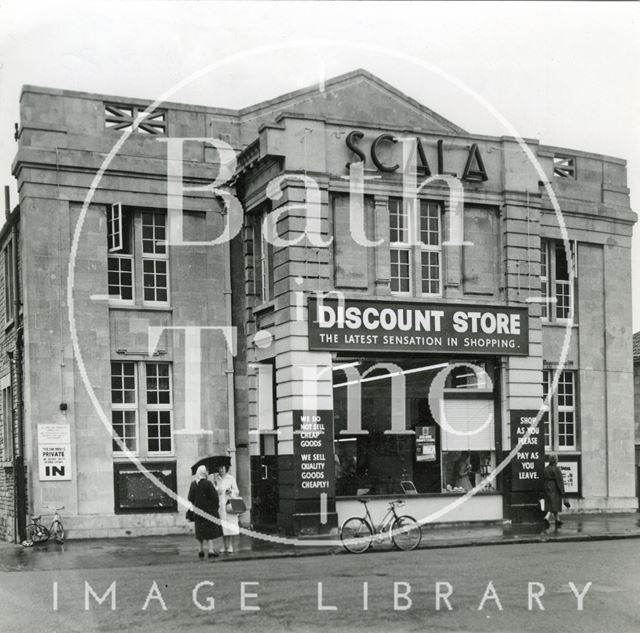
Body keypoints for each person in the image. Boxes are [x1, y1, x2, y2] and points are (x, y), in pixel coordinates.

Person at [188, 465, 222, 559]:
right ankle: (211, 550)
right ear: (204, 473)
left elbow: (190, 497)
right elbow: (215, 498)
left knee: (200, 531)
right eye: (206, 471)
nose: (207, 472)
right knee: (209, 531)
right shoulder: (208, 483)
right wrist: (215, 507)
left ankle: (200, 550)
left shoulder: (193, 484)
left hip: (197, 511)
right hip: (208, 511)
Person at [213, 464, 240, 553]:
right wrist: (217, 491)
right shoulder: (216, 479)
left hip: (229, 505)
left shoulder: (231, 478)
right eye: (220, 468)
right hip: (221, 506)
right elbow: (213, 491)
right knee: (223, 527)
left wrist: (230, 491)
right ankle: (224, 546)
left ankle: (230, 546)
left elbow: (237, 491)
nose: (221, 470)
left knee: (230, 527)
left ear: (226, 469)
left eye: (223, 468)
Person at [543, 453, 567, 529]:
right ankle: (547, 517)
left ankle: (557, 519)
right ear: (555, 460)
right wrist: (563, 492)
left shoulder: (546, 468)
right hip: (554, 487)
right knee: (554, 503)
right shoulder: (556, 469)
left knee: (551, 502)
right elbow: (560, 481)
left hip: (547, 486)